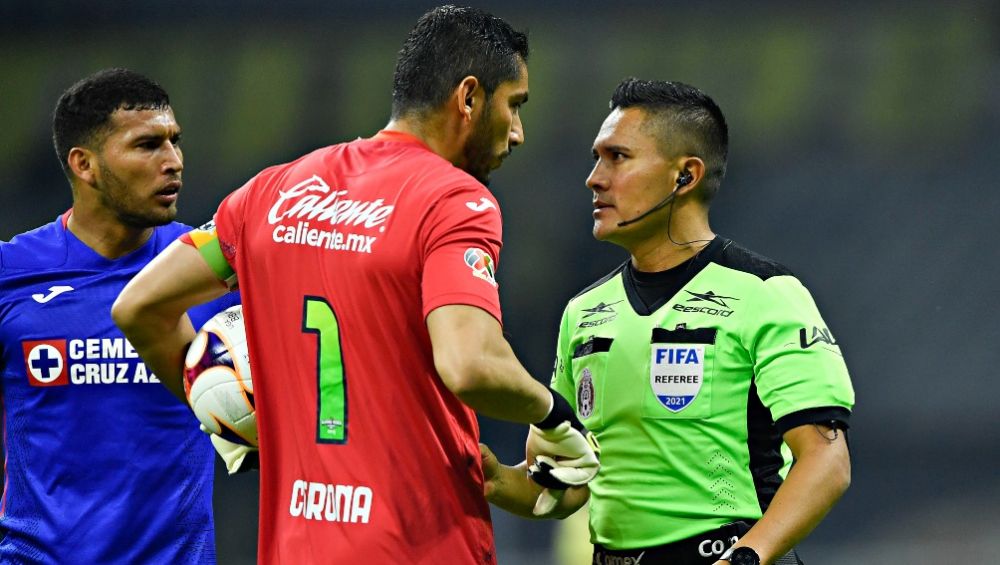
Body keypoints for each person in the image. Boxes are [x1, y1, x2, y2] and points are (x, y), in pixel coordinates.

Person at [112, 6, 598, 564]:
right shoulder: (454, 200)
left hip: (296, 546)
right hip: (419, 547)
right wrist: (556, 416)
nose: (517, 132)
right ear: (468, 98)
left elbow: (140, 306)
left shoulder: (271, 192)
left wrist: (235, 414)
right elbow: (472, 365)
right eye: (514, 106)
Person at [482, 78, 854, 565]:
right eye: (597, 158)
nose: (594, 178)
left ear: (686, 175)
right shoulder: (583, 313)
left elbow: (827, 461)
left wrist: (747, 559)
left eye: (618, 157)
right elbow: (562, 486)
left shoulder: (767, 295)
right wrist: (490, 477)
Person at [0, 68, 238, 563]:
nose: (172, 162)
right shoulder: (11, 272)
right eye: (147, 145)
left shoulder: (212, 270)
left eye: (175, 142)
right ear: (84, 165)